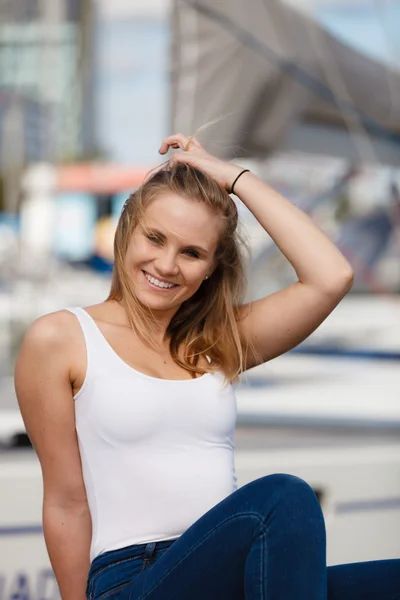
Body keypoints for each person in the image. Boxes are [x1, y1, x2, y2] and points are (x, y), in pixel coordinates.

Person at [15, 133, 399, 600]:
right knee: (284, 498)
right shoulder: (62, 338)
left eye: (192, 253)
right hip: (134, 579)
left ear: (212, 267)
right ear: (126, 231)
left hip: (232, 569)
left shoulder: (217, 343)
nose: (167, 264)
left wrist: (235, 178)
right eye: (154, 238)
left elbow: (330, 276)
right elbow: (66, 501)